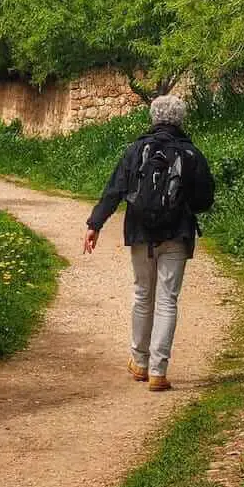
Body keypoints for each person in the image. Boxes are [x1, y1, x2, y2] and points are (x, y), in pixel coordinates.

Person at [83, 95, 215, 392]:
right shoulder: (192, 154)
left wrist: (95, 224)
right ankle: (158, 371)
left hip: (141, 232)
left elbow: (115, 189)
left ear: (154, 118)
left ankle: (139, 363)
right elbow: (205, 200)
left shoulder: (135, 150)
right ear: (181, 119)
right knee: (167, 300)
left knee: (143, 295)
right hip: (177, 235)